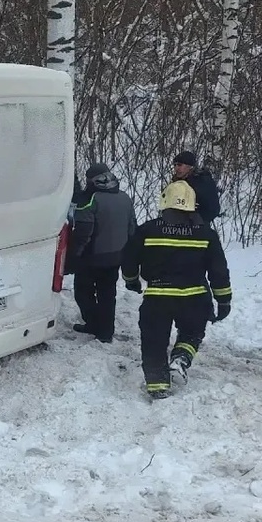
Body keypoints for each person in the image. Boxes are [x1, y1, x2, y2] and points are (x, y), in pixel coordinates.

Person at [121, 180, 232, 400]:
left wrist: (131, 281)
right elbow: (219, 270)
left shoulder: (147, 230)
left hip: (158, 298)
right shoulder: (206, 234)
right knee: (191, 334)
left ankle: (158, 385)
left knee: (153, 341)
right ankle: (181, 358)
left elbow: (129, 259)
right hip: (194, 298)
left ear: (164, 202)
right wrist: (224, 300)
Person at [69, 163, 136, 343]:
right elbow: (132, 230)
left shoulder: (91, 200)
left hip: (92, 258)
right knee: (108, 295)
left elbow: (83, 233)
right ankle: (106, 332)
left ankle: (93, 323)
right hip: (116, 257)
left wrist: (73, 257)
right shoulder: (125, 198)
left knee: (83, 293)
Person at [172, 151, 221, 226]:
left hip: (198, 228)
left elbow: (213, 209)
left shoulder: (203, 182)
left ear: (190, 166)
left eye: (179, 165)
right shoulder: (175, 182)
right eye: (175, 165)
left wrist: (197, 217)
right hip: (176, 227)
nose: (176, 168)